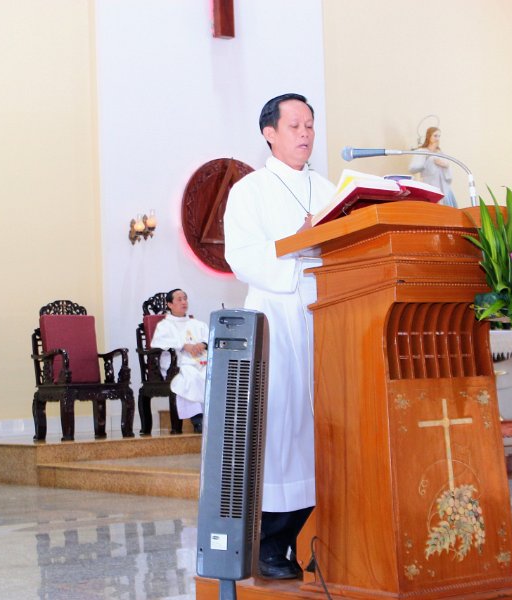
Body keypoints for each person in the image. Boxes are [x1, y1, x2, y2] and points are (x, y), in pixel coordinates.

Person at [223, 92, 336, 580]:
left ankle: (324, 540)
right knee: (284, 428)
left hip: (331, 313)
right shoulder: (249, 191)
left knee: (327, 427)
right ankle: (272, 542)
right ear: (269, 133)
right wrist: (299, 243)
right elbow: (242, 256)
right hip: (280, 314)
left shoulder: (330, 189)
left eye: (310, 124)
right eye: (295, 125)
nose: (305, 133)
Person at [149, 289, 208, 434]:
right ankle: (198, 419)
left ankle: (212, 419)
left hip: (200, 361)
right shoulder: (164, 325)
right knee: (190, 376)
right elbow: (158, 343)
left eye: (185, 298)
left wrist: (202, 344)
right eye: (179, 299)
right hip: (176, 364)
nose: (184, 302)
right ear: (170, 304)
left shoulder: (197, 324)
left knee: (211, 375)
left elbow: (209, 338)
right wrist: (183, 345)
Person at [408, 126, 457, 207]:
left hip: (443, 187)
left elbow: (448, 175)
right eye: (435, 136)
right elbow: (412, 168)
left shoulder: (440, 152)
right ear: (429, 136)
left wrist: (445, 165)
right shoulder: (422, 151)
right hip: (429, 185)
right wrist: (426, 158)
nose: (437, 138)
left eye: (439, 136)